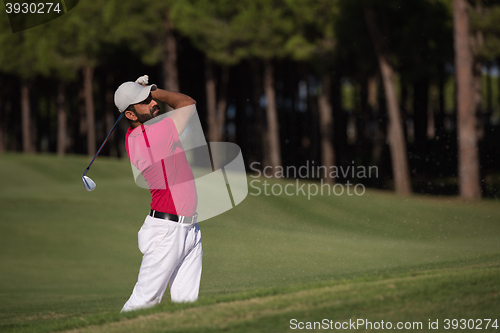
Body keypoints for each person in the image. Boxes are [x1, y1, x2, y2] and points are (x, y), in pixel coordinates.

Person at [114, 75, 202, 312]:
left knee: (187, 308)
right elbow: (188, 103)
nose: (153, 103)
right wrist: (154, 89)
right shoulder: (154, 135)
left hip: (188, 229)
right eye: (146, 101)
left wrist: (140, 93)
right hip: (167, 232)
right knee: (143, 303)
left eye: (150, 99)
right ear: (130, 115)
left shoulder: (136, 135)